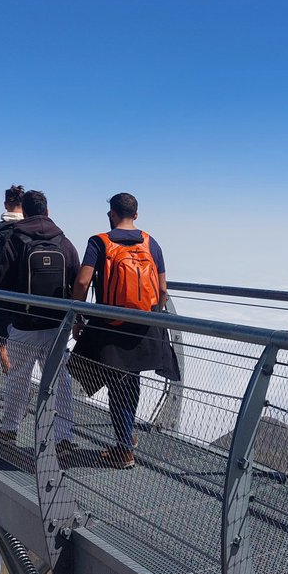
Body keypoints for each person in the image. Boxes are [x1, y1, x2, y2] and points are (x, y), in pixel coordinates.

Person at [69, 192, 180, 469]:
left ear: (111, 213)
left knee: (109, 381)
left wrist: (78, 315)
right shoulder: (150, 242)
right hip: (145, 326)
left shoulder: (99, 242)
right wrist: (154, 314)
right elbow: (163, 289)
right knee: (129, 382)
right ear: (137, 215)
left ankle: (124, 447)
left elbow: (82, 282)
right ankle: (125, 439)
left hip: (111, 326)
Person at [0, 191, 81, 452]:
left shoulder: (14, 238)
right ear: (48, 211)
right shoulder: (63, 240)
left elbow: (0, 282)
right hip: (56, 325)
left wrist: (7, 316)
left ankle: (9, 430)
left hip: (23, 324)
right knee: (59, 380)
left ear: (25, 212)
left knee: (18, 378)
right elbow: (76, 279)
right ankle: (64, 438)